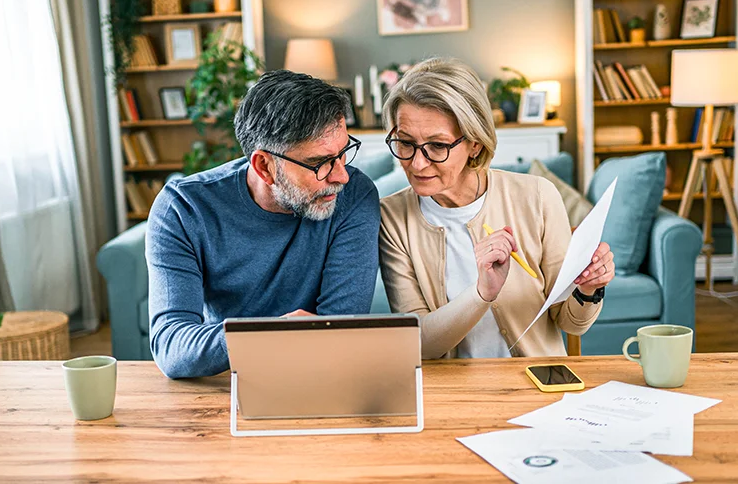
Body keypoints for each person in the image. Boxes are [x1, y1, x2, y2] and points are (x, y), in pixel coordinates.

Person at [146, 70, 380, 378]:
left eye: (342, 154)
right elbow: (172, 347)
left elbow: (339, 331)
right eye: (319, 163)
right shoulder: (184, 209)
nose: (341, 176)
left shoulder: (354, 197)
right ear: (264, 166)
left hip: (319, 376)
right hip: (226, 385)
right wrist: (270, 333)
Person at [378, 58, 614, 360]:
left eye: (437, 146)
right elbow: (420, 344)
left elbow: (570, 322)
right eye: (405, 143)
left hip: (536, 385)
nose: (417, 163)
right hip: (452, 396)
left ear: (474, 144)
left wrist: (589, 288)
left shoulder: (538, 196)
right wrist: (481, 293)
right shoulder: (392, 218)